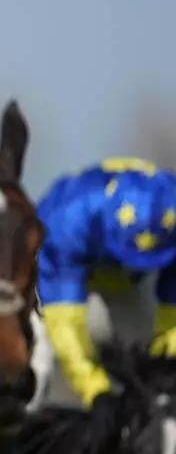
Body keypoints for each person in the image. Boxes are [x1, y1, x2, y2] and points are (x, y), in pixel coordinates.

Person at [30, 157, 176, 435]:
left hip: (126, 286)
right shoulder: (68, 218)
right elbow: (65, 323)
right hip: (62, 283)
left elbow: (172, 322)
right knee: (39, 370)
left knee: (150, 378)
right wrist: (96, 390)